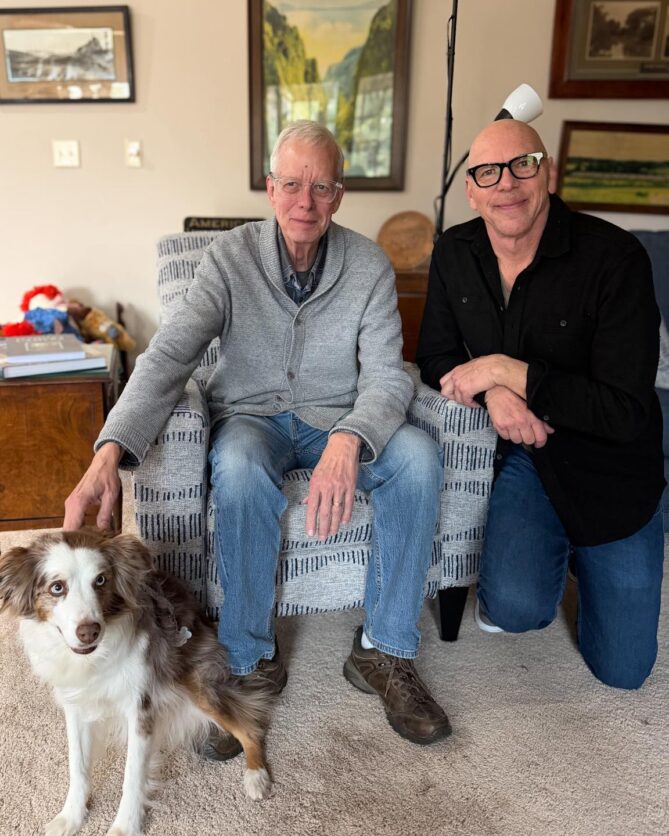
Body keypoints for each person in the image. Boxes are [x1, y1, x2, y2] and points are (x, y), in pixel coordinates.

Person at [64, 120, 451, 750]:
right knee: (239, 464)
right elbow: (168, 358)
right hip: (253, 418)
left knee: (419, 457)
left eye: (321, 187)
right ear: (270, 190)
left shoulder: (370, 265)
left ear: (339, 195)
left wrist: (349, 440)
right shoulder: (228, 258)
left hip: (341, 418)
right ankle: (248, 657)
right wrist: (107, 452)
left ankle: (385, 651)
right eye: (292, 184)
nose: (305, 201)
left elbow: (388, 376)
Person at [417, 119, 665, 690]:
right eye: (488, 172)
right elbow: (435, 355)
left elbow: (624, 409)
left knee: (624, 672)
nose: (507, 183)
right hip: (529, 456)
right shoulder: (455, 252)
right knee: (515, 608)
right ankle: (545, 556)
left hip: (613, 466)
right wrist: (494, 391)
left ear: (547, 172)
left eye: (523, 164)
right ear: (472, 191)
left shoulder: (615, 258)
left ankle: (593, 556)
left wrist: (507, 370)